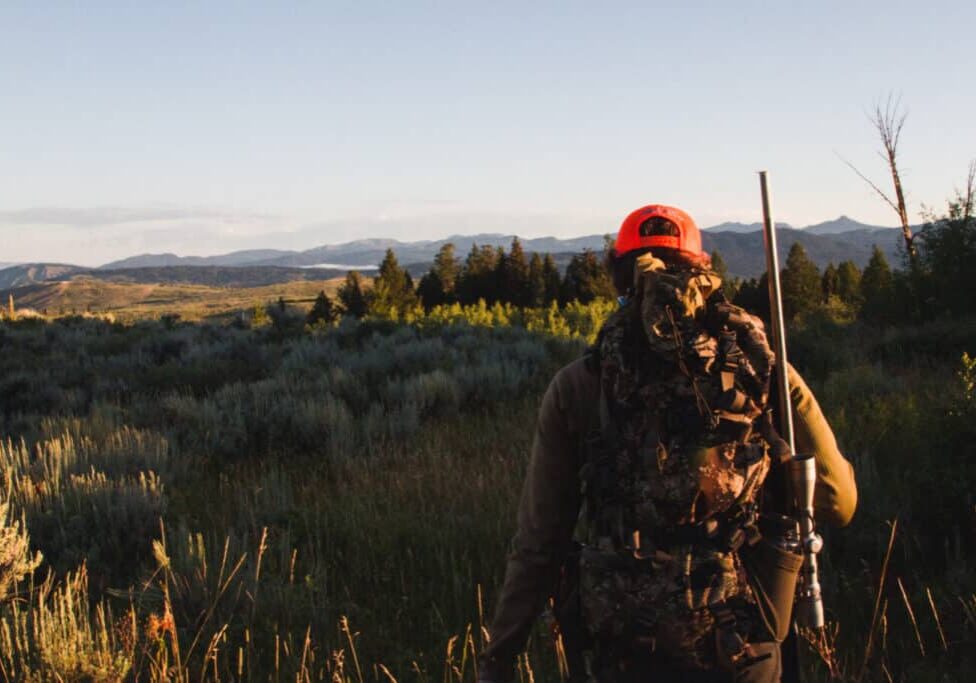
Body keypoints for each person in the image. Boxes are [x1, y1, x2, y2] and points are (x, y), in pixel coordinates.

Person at [477, 205, 857, 682]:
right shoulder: (761, 372)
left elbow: (539, 541)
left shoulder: (579, 384)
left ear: (620, 276)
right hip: (741, 648)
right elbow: (838, 502)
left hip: (622, 648)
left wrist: (500, 657)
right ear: (702, 271)